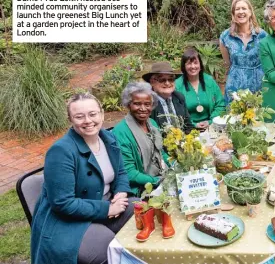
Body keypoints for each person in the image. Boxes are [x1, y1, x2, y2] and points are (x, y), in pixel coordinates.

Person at [31, 93, 135, 264]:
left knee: (144, 212)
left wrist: (122, 192)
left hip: (108, 202)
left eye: (93, 114)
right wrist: (108, 209)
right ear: (71, 120)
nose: (88, 120)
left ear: (102, 114)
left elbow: (121, 172)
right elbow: (62, 203)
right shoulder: (61, 151)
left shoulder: (109, 138)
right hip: (68, 220)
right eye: (79, 116)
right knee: (106, 245)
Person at [112, 82, 169, 197]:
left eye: (147, 104)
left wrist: (175, 165)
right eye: (137, 104)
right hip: (141, 188)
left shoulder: (152, 123)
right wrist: (156, 180)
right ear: (128, 105)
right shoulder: (120, 132)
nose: (143, 109)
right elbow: (128, 173)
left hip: (161, 176)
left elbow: (160, 152)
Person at [219, 0, 268, 105]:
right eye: (237, 9)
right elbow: (228, 63)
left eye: (244, 8)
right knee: (235, 119)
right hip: (235, 86)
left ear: (250, 12)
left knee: (258, 119)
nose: (241, 12)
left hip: (258, 84)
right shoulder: (225, 37)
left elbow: (268, 61)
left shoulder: (262, 35)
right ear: (233, 14)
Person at [175, 47, 225, 130]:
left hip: (211, 126)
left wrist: (210, 121)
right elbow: (177, 112)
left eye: (195, 63)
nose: (193, 66)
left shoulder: (209, 81)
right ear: (184, 66)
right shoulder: (177, 85)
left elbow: (220, 105)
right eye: (189, 64)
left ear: (200, 65)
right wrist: (194, 124)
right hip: (187, 128)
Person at [143, 61, 195, 134]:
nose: (167, 83)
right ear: (152, 82)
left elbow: (188, 125)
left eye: (171, 79)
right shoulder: (147, 103)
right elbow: (149, 134)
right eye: (162, 80)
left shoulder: (179, 97)